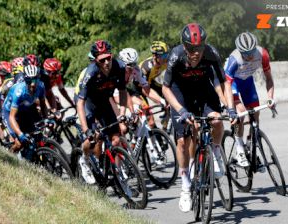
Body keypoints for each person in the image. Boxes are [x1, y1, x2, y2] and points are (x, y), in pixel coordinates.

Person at [161, 23, 238, 212]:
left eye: (200, 48)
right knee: (182, 141)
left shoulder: (211, 53)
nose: (196, 53)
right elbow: (165, 88)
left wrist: (231, 108)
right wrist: (181, 110)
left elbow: (223, 82)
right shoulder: (176, 55)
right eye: (192, 49)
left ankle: (217, 152)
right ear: (185, 46)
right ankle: (186, 183)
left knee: (217, 121)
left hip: (204, 92)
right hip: (181, 96)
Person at [76, 40, 129, 184]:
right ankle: (84, 160)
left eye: (108, 58)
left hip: (104, 102)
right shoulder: (91, 72)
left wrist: (122, 113)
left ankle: (117, 173)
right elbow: (80, 103)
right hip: (88, 104)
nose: (106, 62)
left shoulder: (119, 66)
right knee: (92, 139)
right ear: (96, 61)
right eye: (102, 60)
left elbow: (123, 92)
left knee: (116, 139)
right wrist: (85, 129)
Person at [224, 31, 275, 170]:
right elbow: (226, 85)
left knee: (255, 115)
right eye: (246, 53)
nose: (250, 56)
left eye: (252, 51)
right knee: (241, 113)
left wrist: (270, 98)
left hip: (247, 83)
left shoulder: (262, 54)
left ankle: (250, 148)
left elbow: (268, 78)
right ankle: (240, 151)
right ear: (240, 51)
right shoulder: (234, 60)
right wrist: (230, 109)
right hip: (232, 84)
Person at [2, 65, 47, 155]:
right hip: (9, 112)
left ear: (38, 78)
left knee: (36, 134)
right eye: (29, 81)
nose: (33, 84)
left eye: (35, 80)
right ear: (25, 80)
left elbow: (43, 105)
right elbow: (12, 117)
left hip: (25, 110)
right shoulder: (19, 91)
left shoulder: (41, 86)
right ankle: (7, 158)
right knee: (19, 143)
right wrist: (20, 134)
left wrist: (46, 119)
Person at [116, 47, 166, 128]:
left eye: (134, 63)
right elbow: (122, 93)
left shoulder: (136, 69)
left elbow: (147, 90)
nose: (133, 68)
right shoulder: (117, 72)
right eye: (130, 65)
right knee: (124, 128)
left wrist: (161, 100)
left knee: (146, 112)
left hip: (127, 91)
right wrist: (132, 109)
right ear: (122, 64)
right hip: (115, 94)